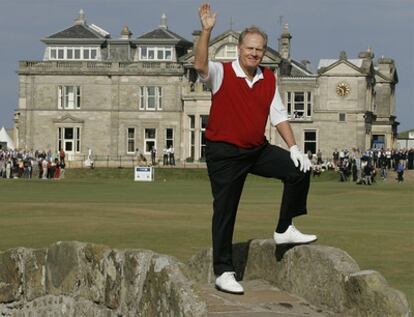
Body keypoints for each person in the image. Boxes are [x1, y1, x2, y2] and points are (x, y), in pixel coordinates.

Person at [194, 3, 316, 295]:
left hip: (256, 149)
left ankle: (285, 228)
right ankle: (223, 271)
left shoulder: (268, 78)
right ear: (239, 49)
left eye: (259, 49)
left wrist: (295, 147)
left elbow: (279, 116)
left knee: (299, 171)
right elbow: (199, 65)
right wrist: (207, 30)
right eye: (249, 48)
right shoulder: (221, 72)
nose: (254, 53)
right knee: (225, 209)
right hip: (223, 153)